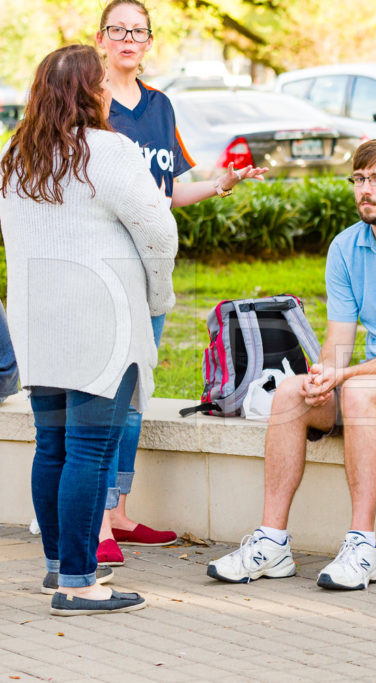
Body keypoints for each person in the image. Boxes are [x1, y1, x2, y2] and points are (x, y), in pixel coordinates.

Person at [207, 139, 376, 590]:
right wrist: (321, 375)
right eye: (358, 179)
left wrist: (347, 376)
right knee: (292, 392)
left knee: (354, 390)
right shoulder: (346, 248)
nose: (364, 190)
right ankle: (272, 542)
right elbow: (338, 343)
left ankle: (364, 547)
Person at [0, 44, 177, 615]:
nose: (108, 92)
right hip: (102, 325)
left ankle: (58, 566)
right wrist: (159, 293)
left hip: (39, 327)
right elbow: (158, 232)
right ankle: (79, 582)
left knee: (51, 446)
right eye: (102, 83)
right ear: (87, 92)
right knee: (88, 453)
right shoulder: (109, 150)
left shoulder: (14, 157)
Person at [93, 0, 267, 565]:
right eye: (118, 30)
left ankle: (118, 512)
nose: (127, 39)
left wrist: (220, 184)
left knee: (136, 391)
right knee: (102, 389)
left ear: (148, 42)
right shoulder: (85, 100)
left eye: (137, 32)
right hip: (102, 269)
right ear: (101, 38)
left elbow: (167, 192)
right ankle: (94, 523)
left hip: (153, 269)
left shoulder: (160, 105)